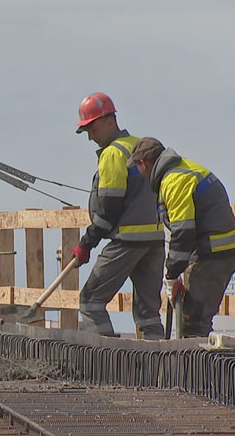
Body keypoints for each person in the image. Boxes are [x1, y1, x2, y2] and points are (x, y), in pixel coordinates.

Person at [128, 137, 235, 337]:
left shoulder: (174, 180)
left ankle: (197, 367)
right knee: (194, 319)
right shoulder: (182, 169)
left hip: (214, 253)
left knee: (193, 323)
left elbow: (183, 233)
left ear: (143, 163)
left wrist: (172, 275)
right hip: (218, 250)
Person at [71, 92, 165, 339]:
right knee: (149, 314)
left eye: (92, 128)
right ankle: (156, 372)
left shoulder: (113, 153)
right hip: (155, 241)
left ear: (109, 120)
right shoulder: (139, 146)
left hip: (127, 241)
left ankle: (105, 363)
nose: (90, 137)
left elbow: (107, 211)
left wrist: (86, 244)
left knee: (91, 301)